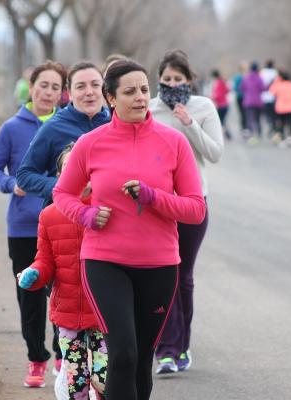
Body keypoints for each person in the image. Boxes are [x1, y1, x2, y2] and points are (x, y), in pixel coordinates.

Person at [53, 59, 207, 400]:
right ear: (111, 98)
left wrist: (154, 198)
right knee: (122, 353)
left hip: (159, 265)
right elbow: (62, 193)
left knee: (140, 364)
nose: (140, 97)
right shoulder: (90, 144)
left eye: (144, 90)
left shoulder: (174, 143)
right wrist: (87, 215)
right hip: (105, 262)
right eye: (129, 91)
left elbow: (196, 209)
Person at [0, 60, 67, 389]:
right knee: (30, 297)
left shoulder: (66, 125)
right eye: (43, 85)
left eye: (55, 87)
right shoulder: (11, 128)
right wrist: (11, 185)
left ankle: (65, 355)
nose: (48, 92)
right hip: (23, 227)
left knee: (63, 294)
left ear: (63, 94)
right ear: (31, 88)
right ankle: (37, 359)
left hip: (63, 223)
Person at [149, 51, 223, 375]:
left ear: (189, 81)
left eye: (179, 79)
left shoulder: (203, 107)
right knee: (164, 277)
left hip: (193, 203)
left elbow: (214, 153)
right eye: (167, 79)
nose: (172, 84)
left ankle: (182, 346)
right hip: (157, 205)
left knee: (183, 278)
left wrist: (189, 124)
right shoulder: (149, 108)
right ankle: (166, 350)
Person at [17, 144, 107, 400]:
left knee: (105, 380)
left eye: (84, 168)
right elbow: (44, 261)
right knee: (77, 383)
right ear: (59, 177)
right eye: (70, 169)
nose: (78, 174)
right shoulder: (49, 216)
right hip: (67, 314)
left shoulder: (107, 211)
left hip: (104, 312)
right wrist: (33, 275)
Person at [16, 61, 110, 206]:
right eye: (80, 86)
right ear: (69, 93)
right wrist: (63, 185)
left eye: (95, 85)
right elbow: (24, 176)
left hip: (110, 216)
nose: (89, 92)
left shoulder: (116, 123)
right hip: (65, 218)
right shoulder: (53, 128)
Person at [269, 70, 291, 148]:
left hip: (281, 107)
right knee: (290, 122)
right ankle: (290, 137)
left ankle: (282, 139)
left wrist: (277, 80)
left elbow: (271, 91)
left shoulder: (279, 85)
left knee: (281, 124)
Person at [240, 61, 265, 143]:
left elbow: (242, 88)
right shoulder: (259, 78)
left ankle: (250, 133)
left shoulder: (246, 78)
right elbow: (263, 88)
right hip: (258, 101)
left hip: (248, 101)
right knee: (257, 118)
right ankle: (258, 133)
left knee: (249, 118)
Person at [211, 69, 231, 140]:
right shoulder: (223, 81)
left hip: (221, 105)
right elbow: (227, 90)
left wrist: (212, 98)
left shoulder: (218, 83)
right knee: (222, 121)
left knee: (220, 122)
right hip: (226, 104)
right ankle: (228, 135)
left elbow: (218, 95)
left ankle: (225, 136)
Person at [260, 59, 278, 136]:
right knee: (272, 114)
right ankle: (272, 126)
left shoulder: (262, 72)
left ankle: (268, 124)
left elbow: (260, 83)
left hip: (264, 96)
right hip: (273, 96)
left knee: (266, 114)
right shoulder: (275, 73)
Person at [233, 61, 248, 133]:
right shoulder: (243, 77)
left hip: (241, 97)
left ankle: (244, 128)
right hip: (243, 97)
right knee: (244, 113)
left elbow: (235, 88)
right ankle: (244, 128)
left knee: (243, 113)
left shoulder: (238, 77)